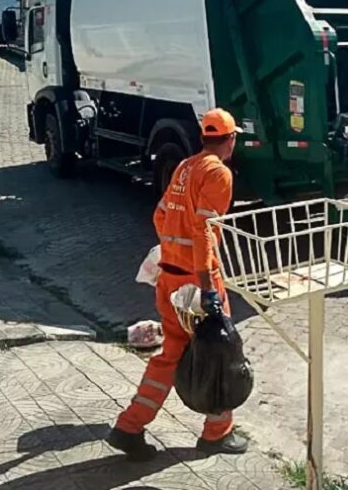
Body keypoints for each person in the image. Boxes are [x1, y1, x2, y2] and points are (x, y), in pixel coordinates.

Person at [107, 108, 248, 460]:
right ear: (230, 140)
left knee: (171, 354)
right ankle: (217, 433)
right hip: (198, 281)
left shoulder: (185, 166)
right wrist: (208, 288)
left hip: (170, 279)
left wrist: (171, 249)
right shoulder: (218, 173)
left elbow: (159, 213)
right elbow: (203, 230)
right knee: (219, 351)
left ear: (204, 138)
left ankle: (129, 425)